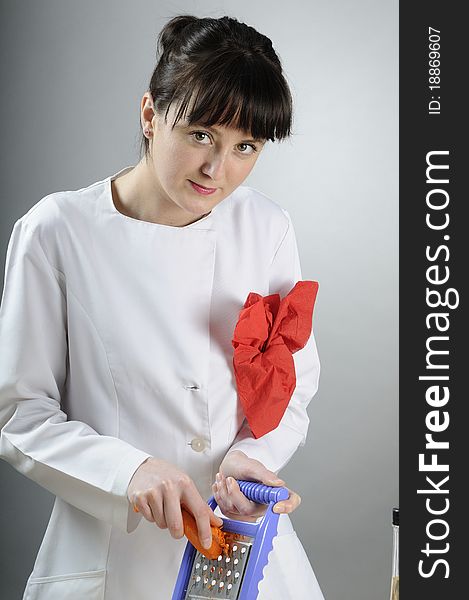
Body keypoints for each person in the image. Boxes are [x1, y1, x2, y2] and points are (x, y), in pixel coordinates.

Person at [0, 14, 324, 600]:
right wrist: (128, 473)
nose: (216, 170)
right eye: (201, 134)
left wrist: (253, 456)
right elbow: (20, 413)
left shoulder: (267, 227)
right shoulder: (56, 231)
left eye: (244, 147)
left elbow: (291, 382)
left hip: (238, 546)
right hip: (110, 556)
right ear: (150, 114)